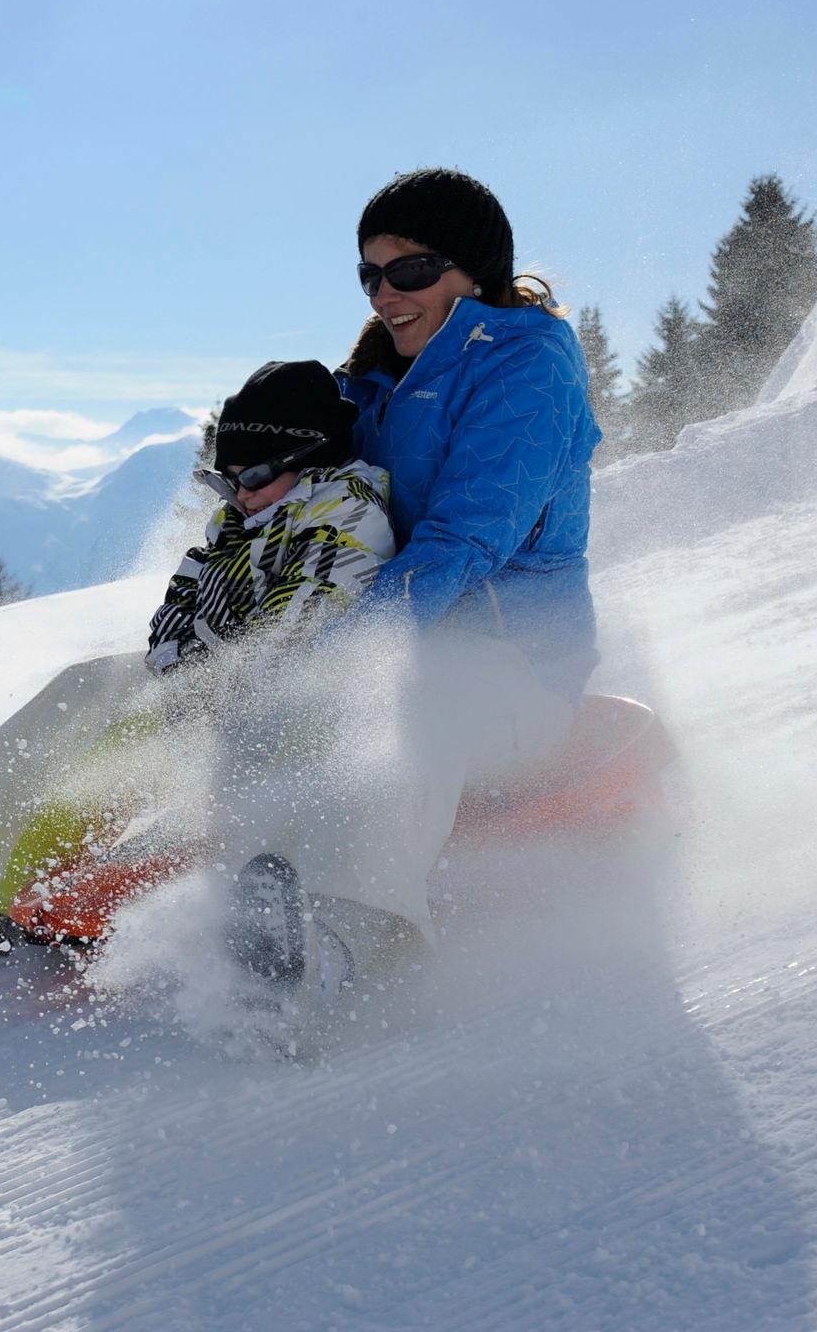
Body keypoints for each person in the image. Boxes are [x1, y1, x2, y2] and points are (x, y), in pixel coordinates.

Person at [223, 168, 603, 1008]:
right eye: (370, 274)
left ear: (475, 270)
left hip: (511, 674)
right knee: (119, 688)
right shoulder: (373, 385)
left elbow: (465, 537)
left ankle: (353, 948)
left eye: (412, 270)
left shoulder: (528, 369)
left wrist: (342, 655)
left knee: (412, 692)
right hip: (367, 646)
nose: (386, 293)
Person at [0, 360, 395, 956]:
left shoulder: (349, 513)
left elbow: (299, 620)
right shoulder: (237, 520)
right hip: (204, 698)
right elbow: (178, 603)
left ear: (313, 458)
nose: (240, 494)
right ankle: (21, 905)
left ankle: (251, 924)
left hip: (305, 707)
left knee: (228, 806)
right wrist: (181, 672)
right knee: (100, 775)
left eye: (257, 476)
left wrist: (214, 681)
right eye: (228, 480)